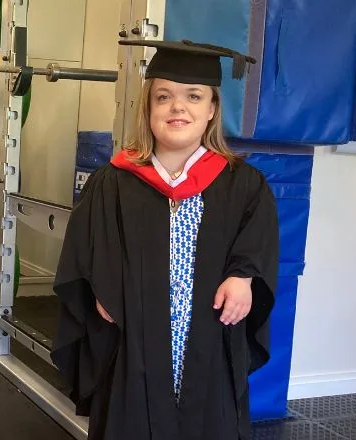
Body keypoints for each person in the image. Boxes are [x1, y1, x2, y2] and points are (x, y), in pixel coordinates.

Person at [50, 39, 279, 440]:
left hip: (206, 337)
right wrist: (97, 290)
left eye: (193, 96)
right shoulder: (113, 182)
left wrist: (243, 277)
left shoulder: (243, 185)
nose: (178, 107)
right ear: (148, 109)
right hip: (132, 342)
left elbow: (257, 241)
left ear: (211, 110)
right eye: (164, 96)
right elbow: (83, 253)